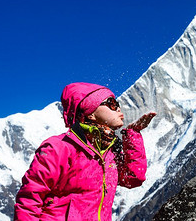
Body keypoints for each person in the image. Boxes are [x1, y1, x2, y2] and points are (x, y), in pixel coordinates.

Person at [14, 82, 156, 220]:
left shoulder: (109, 151)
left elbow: (133, 178)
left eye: (117, 104)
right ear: (90, 113)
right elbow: (30, 200)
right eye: (111, 103)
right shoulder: (59, 147)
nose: (118, 108)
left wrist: (133, 134)